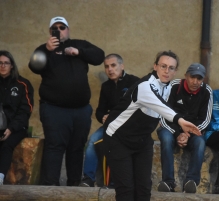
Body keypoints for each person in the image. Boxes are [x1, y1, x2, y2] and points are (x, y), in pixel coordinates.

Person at [102, 50, 202, 201]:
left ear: (176, 71)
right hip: (118, 140)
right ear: (155, 66)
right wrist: (181, 121)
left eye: (171, 68)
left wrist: (179, 132)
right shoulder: (144, 86)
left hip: (142, 141)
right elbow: (160, 106)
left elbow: (160, 115)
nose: (166, 71)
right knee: (126, 191)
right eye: (163, 66)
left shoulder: (168, 87)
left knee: (143, 189)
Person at [28, 16, 105, 186]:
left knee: (76, 149)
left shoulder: (79, 44)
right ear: (50, 32)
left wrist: (79, 52)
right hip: (54, 109)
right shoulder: (43, 49)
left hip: (80, 110)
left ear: (68, 29)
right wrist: (47, 50)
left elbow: (99, 56)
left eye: (62, 27)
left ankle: (74, 187)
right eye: (55, 28)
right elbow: (34, 66)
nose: (59, 30)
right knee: (54, 147)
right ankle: (50, 187)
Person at [79, 53, 139, 187]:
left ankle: (114, 182)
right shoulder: (106, 86)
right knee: (92, 141)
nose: (110, 70)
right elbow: (100, 110)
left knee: (117, 147)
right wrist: (103, 117)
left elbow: (140, 108)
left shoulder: (134, 82)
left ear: (122, 66)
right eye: (106, 67)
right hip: (110, 126)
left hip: (129, 128)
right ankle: (88, 179)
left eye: (113, 65)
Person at [157, 63, 213, 193]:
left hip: (193, 132)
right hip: (170, 128)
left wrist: (188, 134)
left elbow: (205, 119)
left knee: (200, 142)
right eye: (192, 77)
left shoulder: (207, 91)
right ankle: (168, 182)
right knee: (166, 139)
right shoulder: (173, 86)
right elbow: (163, 114)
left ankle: (191, 181)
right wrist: (178, 134)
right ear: (185, 76)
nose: (195, 81)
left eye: (199, 78)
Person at [0, 50, 34, 185]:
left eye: (6, 63)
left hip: (16, 127)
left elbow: (26, 110)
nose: (3, 66)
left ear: (12, 65)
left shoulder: (22, 84)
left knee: (6, 145)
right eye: (0, 63)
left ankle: (0, 177)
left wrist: (11, 128)